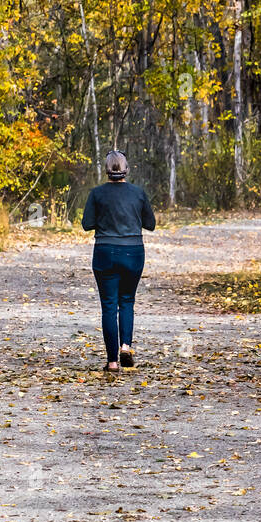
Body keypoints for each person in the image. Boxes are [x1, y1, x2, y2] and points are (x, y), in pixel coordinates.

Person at [82, 150, 155, 370]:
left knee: (108, 306)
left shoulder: (97, 194)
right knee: (127, 301)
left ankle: (112, 362)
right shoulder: (138, 193)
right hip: (133, 252)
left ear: (106, 170)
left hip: (105, 252)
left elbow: (87, 224)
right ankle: (125, 346)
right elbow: (150, 224)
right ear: (127, 169)